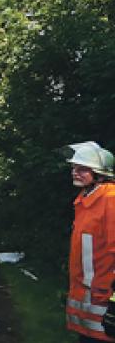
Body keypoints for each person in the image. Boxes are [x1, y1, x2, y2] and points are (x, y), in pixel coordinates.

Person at [61, 142, 115, 342]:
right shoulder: (84, 200)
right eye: (74, 168)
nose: (75, 172)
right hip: (86, 296)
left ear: (100, 173)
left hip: (103, 298)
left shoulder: (110, 199)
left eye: (82, 169)